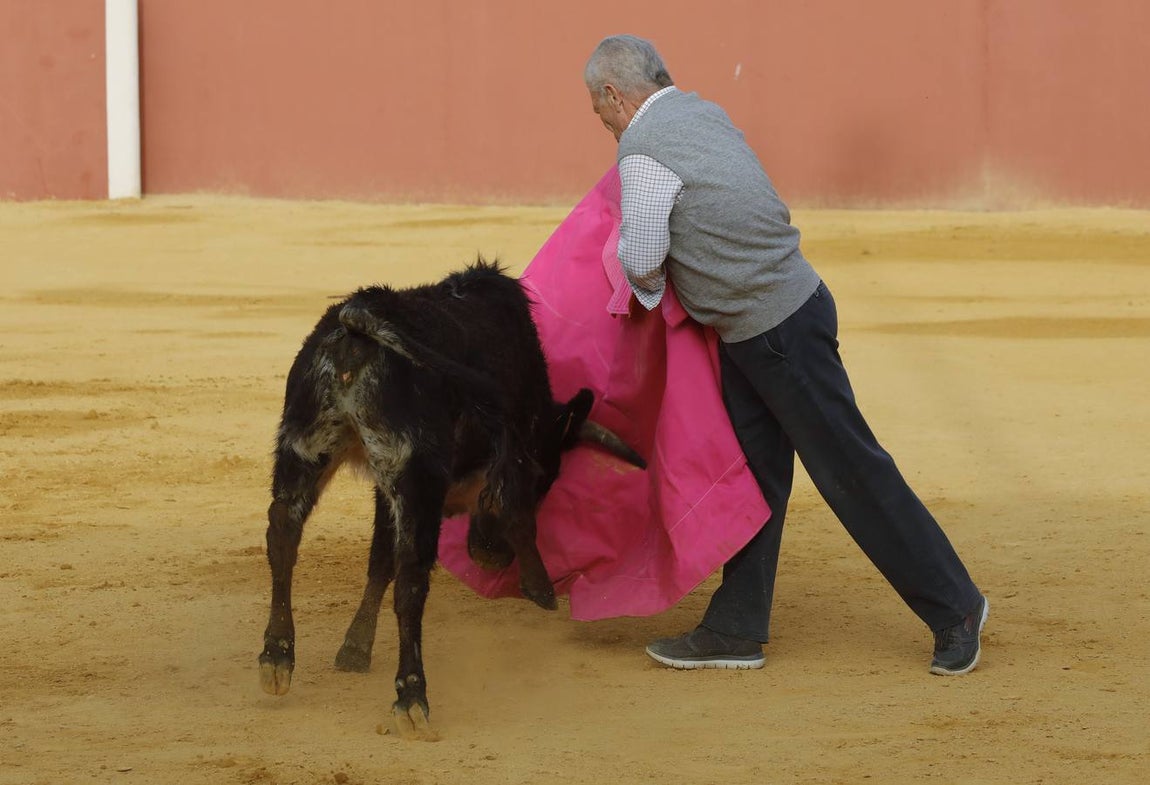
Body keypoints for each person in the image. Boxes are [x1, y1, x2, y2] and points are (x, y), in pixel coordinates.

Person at [583, 34, 988, 675]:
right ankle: (736, 627)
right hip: (775, 317)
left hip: (774, 330)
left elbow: (640, 257)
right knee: (755, 478)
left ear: (614, 94)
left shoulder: (641, 147)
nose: (599, 122)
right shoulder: (702, 111)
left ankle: (955, 605)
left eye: (596, 108)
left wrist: (647, 292)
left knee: (851, 470)